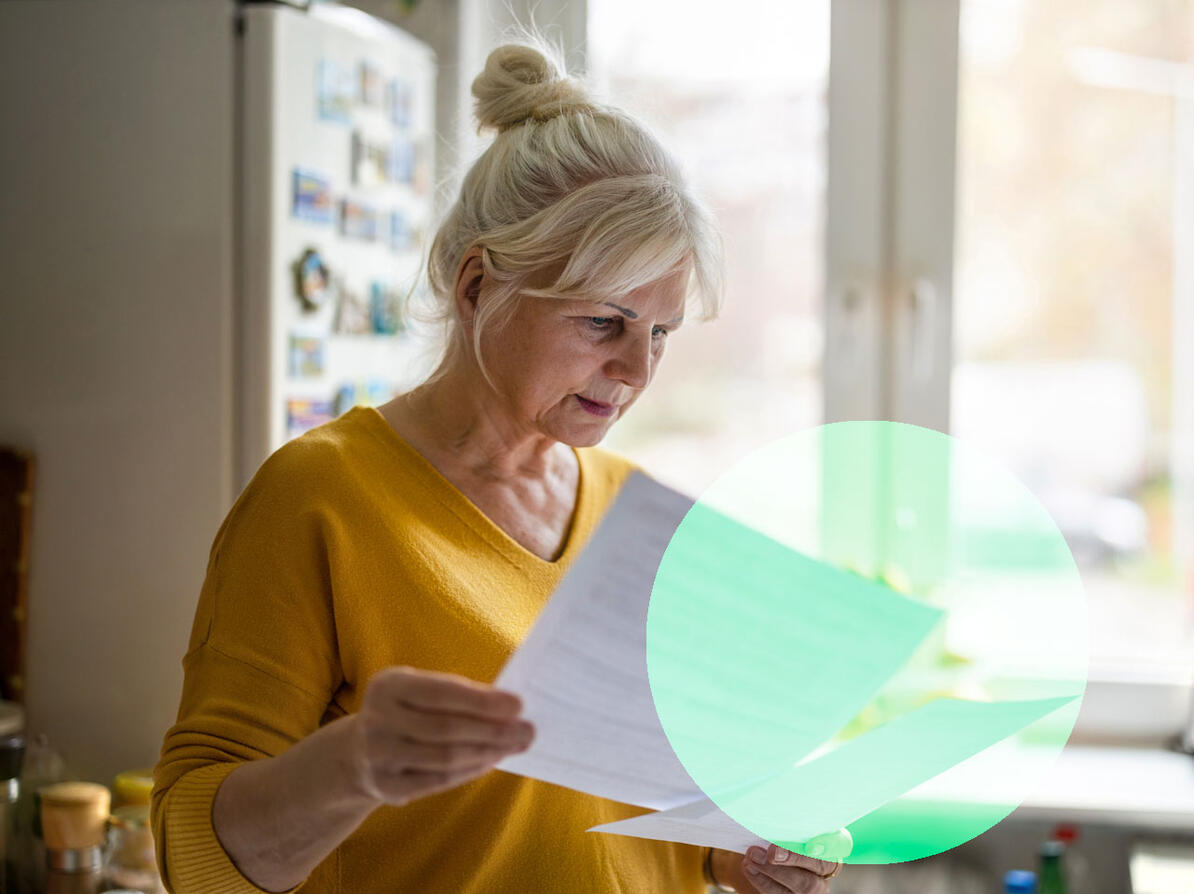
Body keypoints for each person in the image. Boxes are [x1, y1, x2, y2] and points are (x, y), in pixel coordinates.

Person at [151, 37, 841, 894]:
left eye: (659, 333)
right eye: (605, 322)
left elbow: (628, 817)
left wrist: (732, 849)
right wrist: (355, 764)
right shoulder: (319, 499)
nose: (638, 371)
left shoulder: (638, 519)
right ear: (478, 286)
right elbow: (193, 855)